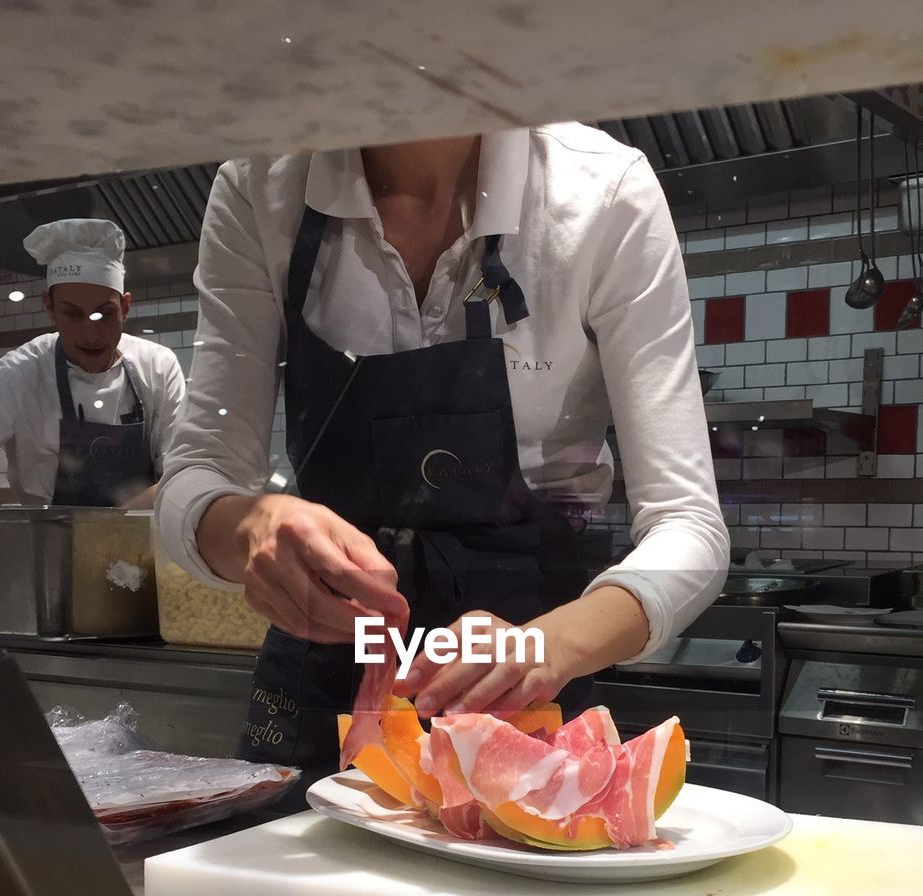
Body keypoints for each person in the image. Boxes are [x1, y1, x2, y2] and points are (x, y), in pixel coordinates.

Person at [156, 124, 729, 781]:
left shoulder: (603, 194)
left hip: (526, 670)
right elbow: (196, 477)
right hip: (325, 668)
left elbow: (691, 526)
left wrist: (550, 646)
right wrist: (250, 525)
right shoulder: (260, 188)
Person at [0, 219, 186, 507]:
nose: (91, 334)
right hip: (52, 544)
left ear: (125, 307)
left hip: (143, 542)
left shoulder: (158, 366)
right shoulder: (20, 373)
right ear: (49, 307)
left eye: (104, 314)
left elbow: (182, 471)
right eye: (72, 314)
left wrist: (109, 530)